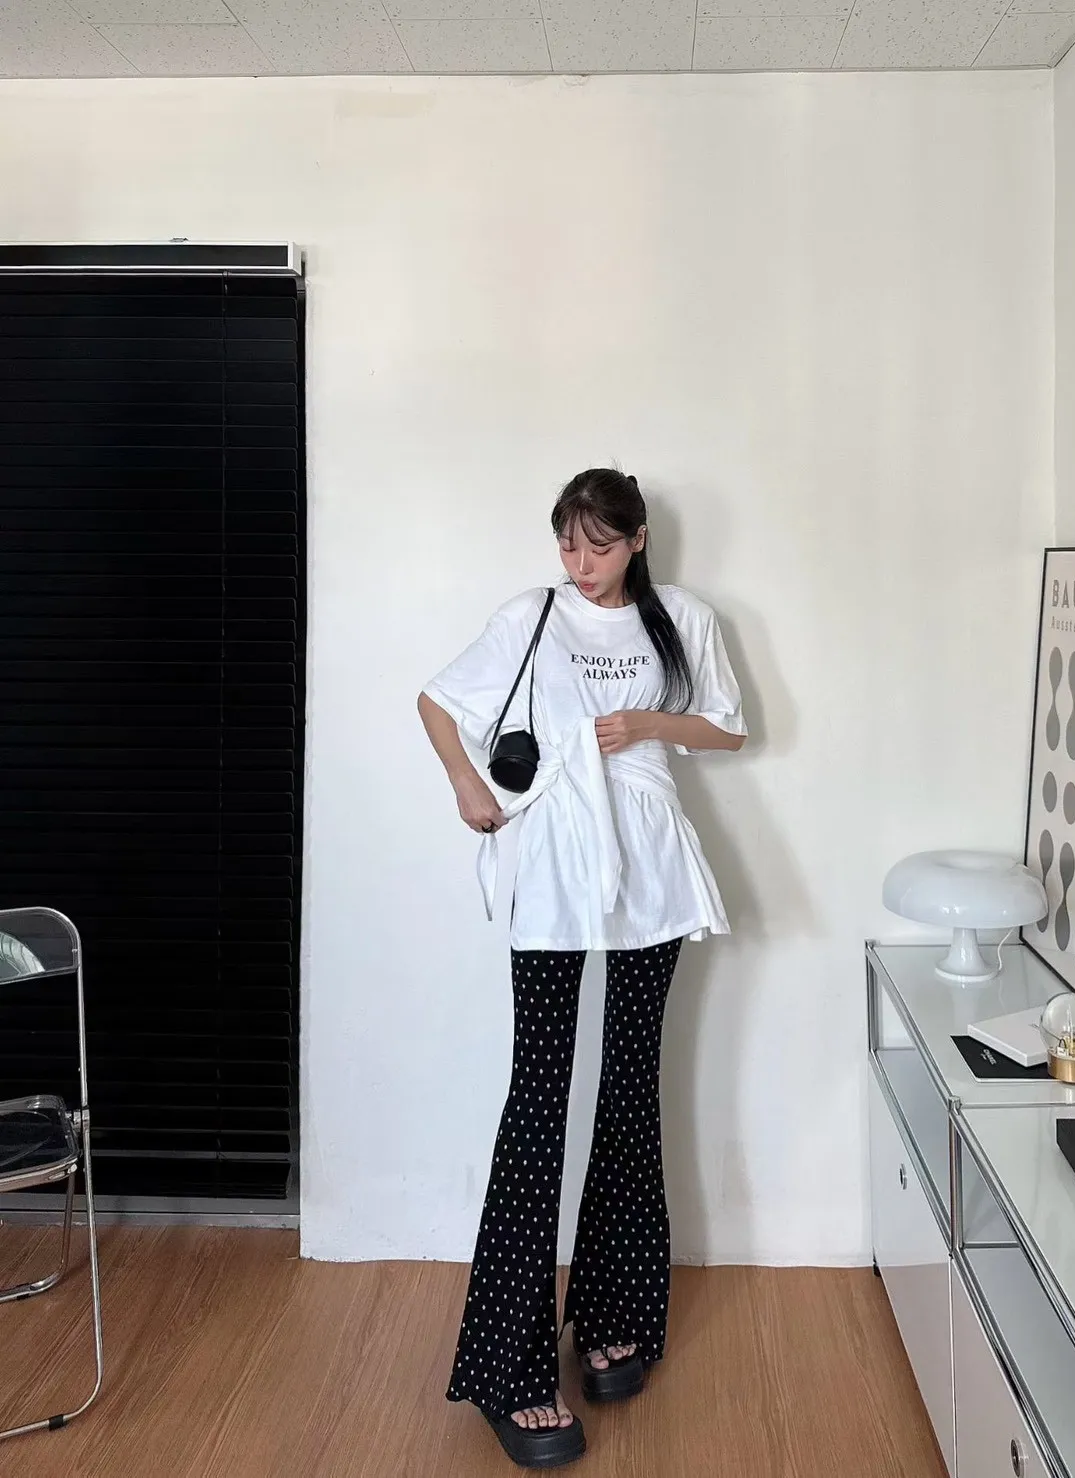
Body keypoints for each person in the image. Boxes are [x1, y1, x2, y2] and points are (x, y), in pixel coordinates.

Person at [418, 468, 746, 1469]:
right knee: (539, 1096)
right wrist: (467, 785)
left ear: (637, 539)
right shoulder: (532, 613)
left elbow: (727, 727)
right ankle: (511, 1370)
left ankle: (614, 1316)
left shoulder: (681, 618)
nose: (580, 563)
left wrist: (647, 724)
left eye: (599, 545)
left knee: (630, 1086)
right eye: (567, 543)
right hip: (557, 862)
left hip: (651, 863)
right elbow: (437, 700)